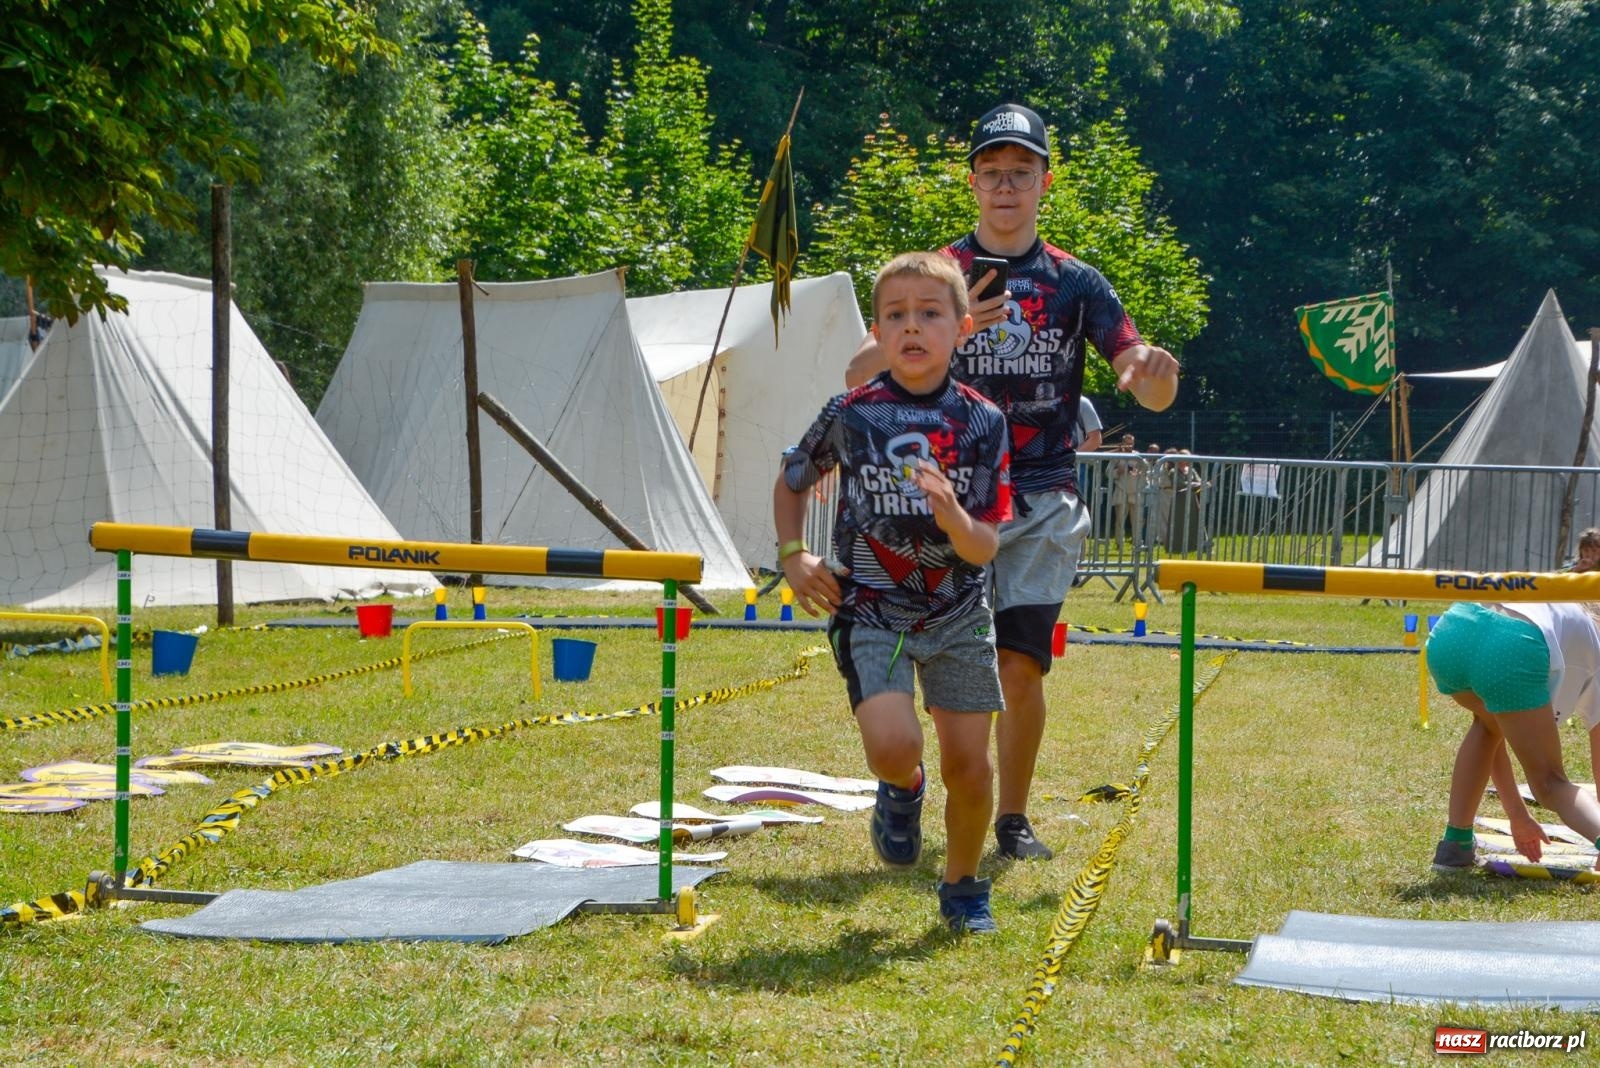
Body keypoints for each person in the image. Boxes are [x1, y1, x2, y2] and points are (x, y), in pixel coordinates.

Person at [843, 103, 1180, 861]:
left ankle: (1012, 820)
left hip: (1040, 497)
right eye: (992, 173)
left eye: (1020, 174)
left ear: (1043, 183)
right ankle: (906, 782)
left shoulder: (1077, 283)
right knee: (931, 665)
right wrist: (951, 326)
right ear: (972, 184)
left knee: (1018, 668)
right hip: (941, 499)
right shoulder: (934, 274)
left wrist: (1153, 376)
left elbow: (1138, 377)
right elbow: (859, 371)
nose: (1005, 187)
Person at [775, 251, 1013, 933]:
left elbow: (985, 544)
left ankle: (964, 889)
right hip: (873, 608)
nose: (913, 328)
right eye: (897, 315)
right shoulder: (852, 411)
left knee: (970, 766)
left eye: (930, 314)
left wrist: (953, 518)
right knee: (893, 744)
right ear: (875, 331)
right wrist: (794, 555)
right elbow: (792, 478)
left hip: (960, 612)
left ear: (962, 327)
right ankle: (901, 788)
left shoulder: (983, 422)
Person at [1427, 600, 1600, 874]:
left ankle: (1456, 845)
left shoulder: (1563, 604)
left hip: (1452, 631)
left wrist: (1517, 814)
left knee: (1487, 726)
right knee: (1550, 782)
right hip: (1511, 643)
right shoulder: (1593, 644)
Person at [1108, 433, 1144, 545]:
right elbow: (1108, 472)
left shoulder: (1138, 456)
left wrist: (1139, 472)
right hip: (1121, 490)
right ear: (1123, 443)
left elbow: (1145, 471)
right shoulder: (1117, 456)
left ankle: (1137, 542)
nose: (1129, 446)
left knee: (1137, 520)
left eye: (1131, 443)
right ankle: (1119, 542)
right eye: (1127, 443)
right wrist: (1118, 471)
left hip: (1135, 491)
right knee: (1120, 520)